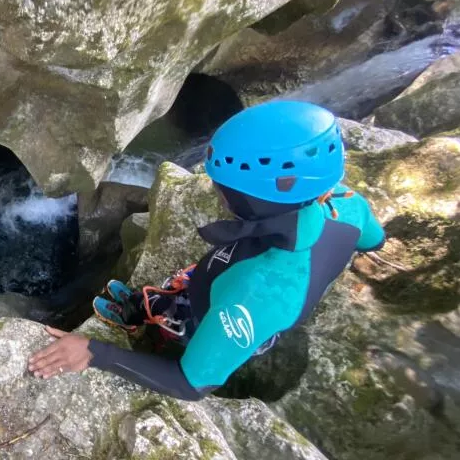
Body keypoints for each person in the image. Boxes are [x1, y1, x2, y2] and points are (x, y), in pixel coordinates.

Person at [27, 101, 386, 400]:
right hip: (232, 276)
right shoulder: (346, 204)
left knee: (183, 324)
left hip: (219, 311)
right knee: (198, 279)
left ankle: (150, 325)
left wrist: (94, 352)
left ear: (256, 203)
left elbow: (190, 382)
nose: (216, 192)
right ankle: (152, 303)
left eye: (222, 189)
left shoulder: (255, 294)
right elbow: (374, 239)